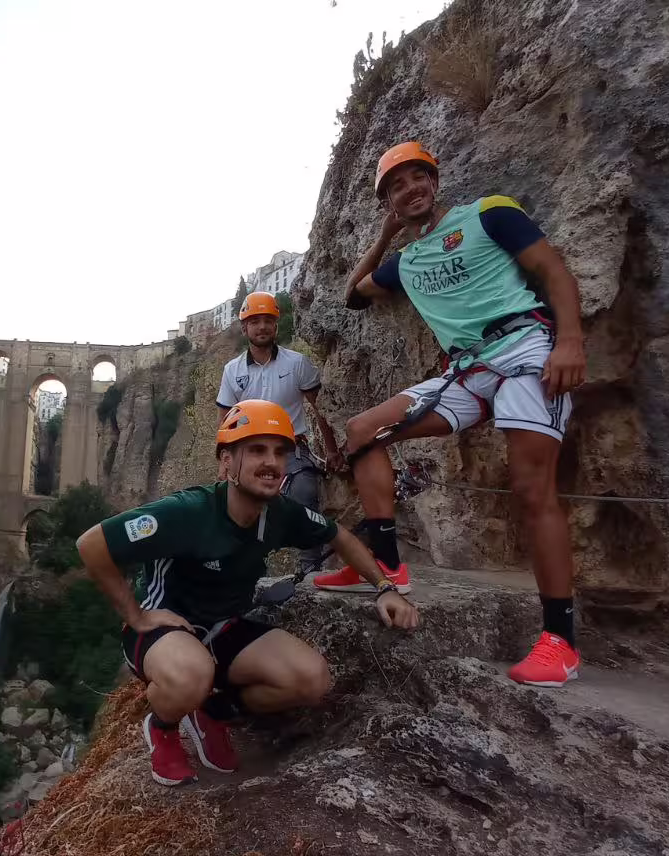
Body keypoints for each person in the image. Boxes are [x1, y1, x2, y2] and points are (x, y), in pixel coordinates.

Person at [314, 141, 587, 688]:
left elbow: (551, 269)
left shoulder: (488, 213)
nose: (410, 189)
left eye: (418, 177)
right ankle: (389, 563)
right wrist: (388, 236)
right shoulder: (406, 260)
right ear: (389, 200)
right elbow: (353, 296)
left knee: (533, 491)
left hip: (524, 348)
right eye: (396, 185)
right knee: (362, 432)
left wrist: (570, 343)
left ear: (434, 182)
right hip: (466, 370)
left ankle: (561, 640)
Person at [76, 399, 419, 787]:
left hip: (224, 628)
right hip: (165, 632)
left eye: (279, 452)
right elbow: (92, 544)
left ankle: (212, 712)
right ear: (226, 462)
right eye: (255, 450)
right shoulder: (187, 512)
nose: (271, 462)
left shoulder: (280, 514)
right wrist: (136, 616)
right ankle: (164, 727)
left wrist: (384, 587)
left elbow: (338, 535)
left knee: (311, 679)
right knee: (192, 673)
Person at [216, 291, 342, 579]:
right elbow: (224, 420)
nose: (261, 327)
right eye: (255, 321)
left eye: (267, 321)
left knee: (303, 494)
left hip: (291, 449)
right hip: (248, 450)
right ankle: (244, 573)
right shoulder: (232, 370)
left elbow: (320, 408)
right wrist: (223, 463)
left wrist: (332, 450)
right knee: (237, 507)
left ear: (276, 325)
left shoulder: (297, 363)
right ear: (245, 327)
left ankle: (310, 568)